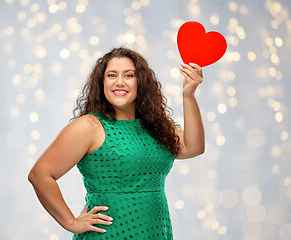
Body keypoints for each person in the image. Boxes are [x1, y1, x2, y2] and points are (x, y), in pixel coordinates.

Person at [28, 47, 205, 239]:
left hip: (156, 232)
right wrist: (71, 222)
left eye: (129, 75)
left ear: (141, 83)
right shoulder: (90, 126)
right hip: (110, 234)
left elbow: (194, 147)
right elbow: (40, 175)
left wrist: (189, 94)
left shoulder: (156, 127)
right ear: (102, 83)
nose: (119, 82)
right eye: (112, 75)